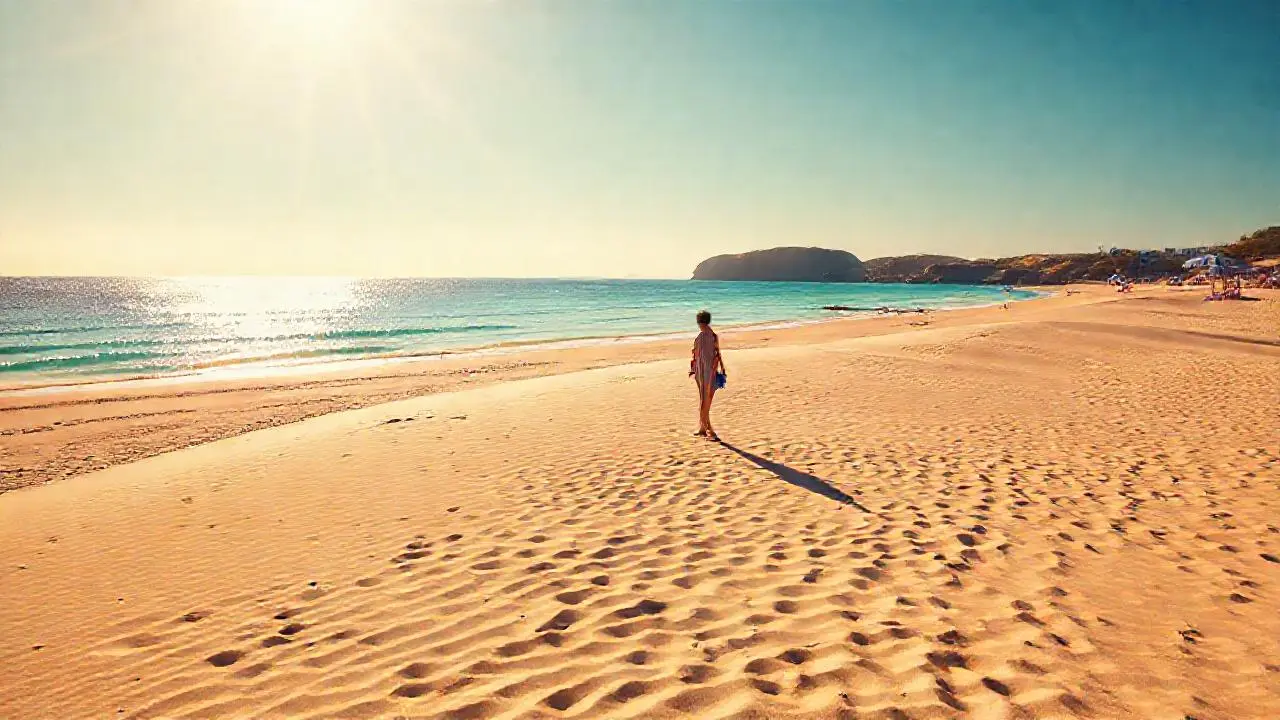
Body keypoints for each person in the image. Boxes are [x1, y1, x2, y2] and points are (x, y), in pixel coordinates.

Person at [689, 309, 726, 441]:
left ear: (699, 322)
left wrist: (693, 369)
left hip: (704, 372)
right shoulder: (713, 335)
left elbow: (696, 356)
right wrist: (722, 368)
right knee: (705, 401)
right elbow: (717, 354)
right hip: (710, 371)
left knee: (704, 401)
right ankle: (702, 428)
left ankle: (710, 431)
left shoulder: (700, 337)